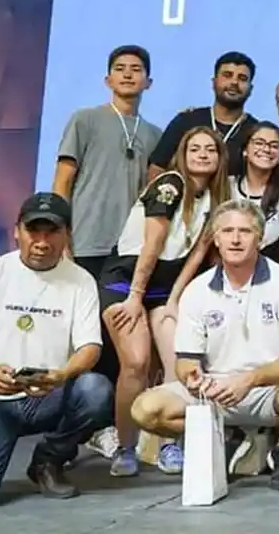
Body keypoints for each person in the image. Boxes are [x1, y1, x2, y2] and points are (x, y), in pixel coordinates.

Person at [130, 198, 279, 492]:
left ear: (260, 238)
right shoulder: (196, 290)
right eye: (227, 231)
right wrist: (192, 377)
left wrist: (249, 380)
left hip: (267, 390)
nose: (235, 239)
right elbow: (185, 360)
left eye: (245, 231)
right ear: (216, 239)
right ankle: (223, 440)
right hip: (215, 391)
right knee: (145, 410)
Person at [0, 193, 112, 508]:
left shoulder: (81, 281)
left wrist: (62, 375)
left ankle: (47, 462)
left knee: (95, 390)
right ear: (16, 231)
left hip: (48, 395)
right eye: (33, 230)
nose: (42, 241)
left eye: (52, 231)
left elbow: (90, 347)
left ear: (67, 235)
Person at [99, 126, 229, 476]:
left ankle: (167, 443)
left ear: (219, 158)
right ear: (182, 156)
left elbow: (198, 254)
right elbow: (152, 244)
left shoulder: (217, 198)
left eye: (210, 150)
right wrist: (134, 298)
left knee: (179, 361)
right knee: (136, 362)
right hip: (126, 281)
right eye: (194, 149)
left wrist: (174, 301)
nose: (202, 155)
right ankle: (125, 448)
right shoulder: (170, 184)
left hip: (164, 287)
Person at [52, 44, 161, 459]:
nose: (129, 75)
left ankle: (114, 430)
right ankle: (85, 426)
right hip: (85, 245)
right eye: (120, 69)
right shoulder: (85, 120)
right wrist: (64, 238)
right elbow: (63, 179)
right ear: (108, 79)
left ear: (149, 81)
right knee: (85, 337)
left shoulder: (153, 134)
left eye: (137, 70)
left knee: (121, 343)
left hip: (127, 252)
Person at [148, 51, 262, 179]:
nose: (234, 82)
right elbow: (157, 168)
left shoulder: (256, 132)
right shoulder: (186, 121)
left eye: (242, 78)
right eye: (227, 75)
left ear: (250, 89)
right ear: (214, 82)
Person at [230, 122, 279, 269]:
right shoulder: (228, 185)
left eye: (274, 145)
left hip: (271, 274)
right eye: (259, 143)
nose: (266, 149)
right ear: (245, 149)